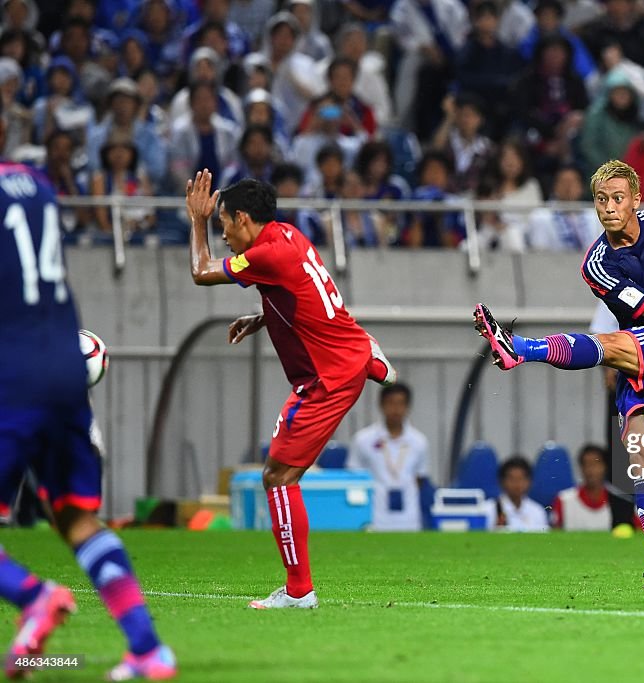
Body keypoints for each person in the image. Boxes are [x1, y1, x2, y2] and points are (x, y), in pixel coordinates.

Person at [474, 159, 644, 588]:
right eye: (601, 199)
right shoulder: (597, 264)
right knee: (643, 459)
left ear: (636, 200)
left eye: (618, 198)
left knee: (612, 344)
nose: (609, 207)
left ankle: (521, 348)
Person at [0, 109, 177, 679]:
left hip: (12, 370)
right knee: (75, 517)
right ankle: (148, 650)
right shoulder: (37, 186)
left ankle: (33, 597)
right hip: (64, 361)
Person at [184, 170, 397, 608]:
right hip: (342, 351)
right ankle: (366, 356)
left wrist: (196, 220)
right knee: (281, 474)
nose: (222, 233)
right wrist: (264, 317)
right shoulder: (287, 236)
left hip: (326, 379)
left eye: (223, 223)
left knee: (278, 477)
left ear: (242, 218)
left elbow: (200, 272)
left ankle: (299, 591)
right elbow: (301, 292)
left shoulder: (264, 255)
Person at [350, 383, 430, 531]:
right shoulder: (363, 440)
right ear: (381, 405)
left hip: (409, 517)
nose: (396, 409)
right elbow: (354, 477)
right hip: (374, 516)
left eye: (400, 403)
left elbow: (420, 478)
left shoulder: (419, 441)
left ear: (408, 406)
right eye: (391, 403)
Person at [551, 445, 612, 530]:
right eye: (586, 464)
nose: (590, 470)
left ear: (605, 466)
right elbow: (555, 534)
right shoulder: (563, 500)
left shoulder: (618, 501)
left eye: (595, 464)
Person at [487, 456, 549, 531]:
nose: (517, 484)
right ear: (502, 482)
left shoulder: (538, 511)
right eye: (512, 479)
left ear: (529, 481)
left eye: (521, 479)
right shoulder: (488, 510)